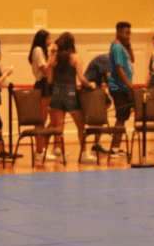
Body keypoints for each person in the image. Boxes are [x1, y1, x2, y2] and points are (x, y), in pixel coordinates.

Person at [46, 32, 97, 162]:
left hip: (57, 93)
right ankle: (84, 154)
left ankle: (60, 154)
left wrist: (51, 54)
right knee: (80, 126)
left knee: (59, 127)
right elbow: (81, 78)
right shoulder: (75, 58)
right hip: (70, 94)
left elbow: (50, 80)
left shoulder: (54, 59)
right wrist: (90, 84)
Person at [107, 22, 133, 156]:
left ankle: (116, 148)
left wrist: (128, 45)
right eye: (126, 33)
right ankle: (114, 149)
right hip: (118, 87)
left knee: (122, 118)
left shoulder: (123, 47)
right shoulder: (116, 47)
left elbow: (132, 59)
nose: (128, 36)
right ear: (118, 32)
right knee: (120, 117)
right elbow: (119, 69)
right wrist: (130, 87)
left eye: (129, 33)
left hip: (123, 88)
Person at [29, 30, 53, 159]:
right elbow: (44, 68)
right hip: (41, 84)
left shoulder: (42, 50)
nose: (50, 42)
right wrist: (51, 57)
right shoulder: (38, 49)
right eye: (48, 39)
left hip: (45, 85)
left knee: (46, 119)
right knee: (41, 119)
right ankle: (39, 150)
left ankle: (42, 148)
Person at [83, 53, 112, 155]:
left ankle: (96, 143)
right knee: (99, 116)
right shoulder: (107, 59)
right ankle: (94, 128)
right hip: (90, 88)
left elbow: (108, 81)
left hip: (97, 88)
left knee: (106, 105)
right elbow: (109, 79)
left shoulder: (110, 61)